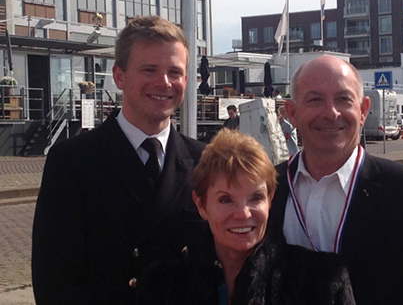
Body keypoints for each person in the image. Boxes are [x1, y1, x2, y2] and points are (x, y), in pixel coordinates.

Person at [32, 16, 207, 304]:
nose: (164, 82)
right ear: (120, 76)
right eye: (149, 69)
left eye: (175, 72)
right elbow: (54, 281)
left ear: (186, 81)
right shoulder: (72, 162)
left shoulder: (203, 161)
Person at [269, 55, 403, 304]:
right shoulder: (265, 190)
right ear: (292, 113)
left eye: (344, 99)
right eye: (315, 100)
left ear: (363, 110)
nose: (331, 112)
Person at [137, 128, 355, 304]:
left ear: (271, 199)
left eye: (255, 198)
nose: (243, 213)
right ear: (201, 205)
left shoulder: (320, 282)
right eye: (225, 199)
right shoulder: (163, 287)